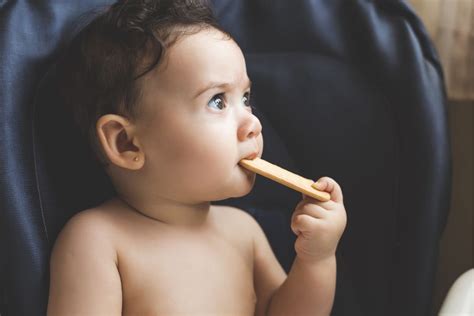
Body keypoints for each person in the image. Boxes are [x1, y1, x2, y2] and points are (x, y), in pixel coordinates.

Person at [47, 0, 347, 315]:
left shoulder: (243, 232)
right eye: (218, 101)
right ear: (127, 144)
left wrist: (317, 259)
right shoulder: (98, 241)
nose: (253, 124)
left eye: (245, 99)